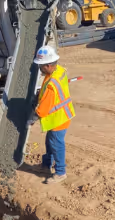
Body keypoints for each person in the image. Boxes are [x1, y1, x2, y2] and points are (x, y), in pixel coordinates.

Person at [28, 45, 75, 184]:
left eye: (41, 66)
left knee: (56, 144)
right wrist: (39, 94)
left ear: (48, 65)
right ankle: (46, 165)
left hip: (58, 119)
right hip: (61, 115)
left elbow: (43, 109)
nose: (39, 68)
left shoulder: (51, 84)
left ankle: (61, 172)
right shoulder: (58, 71)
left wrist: (31, 119)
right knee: (50, 142)